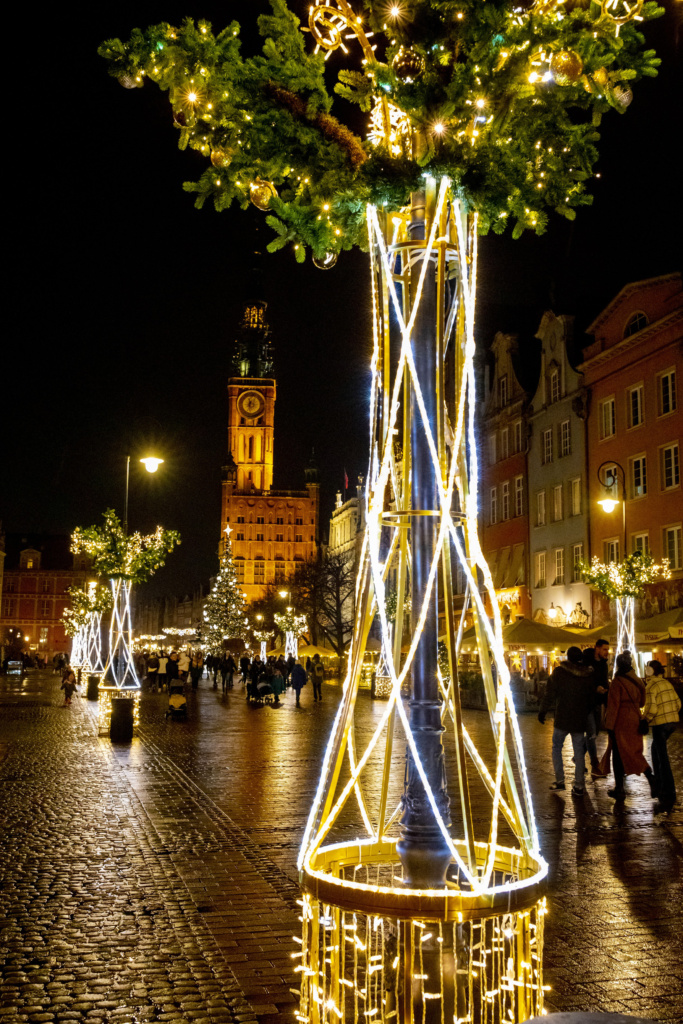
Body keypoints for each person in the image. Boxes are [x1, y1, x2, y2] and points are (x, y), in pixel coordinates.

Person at [538, 646, 596, 797]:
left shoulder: (559, 673)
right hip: (579, 718)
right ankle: (579, 785)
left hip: (562, 717)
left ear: (568, 657)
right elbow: (591, 698)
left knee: (557, 747)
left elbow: (549, 694)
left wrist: (543, 711)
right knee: (579, 753)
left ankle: (560, 781)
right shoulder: (587, 674)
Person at [604, 651, 656, 801]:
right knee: (634, 751)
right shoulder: (638, 680)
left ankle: (620, 788)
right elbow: (642, 703)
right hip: (634, 718)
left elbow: (613, 706)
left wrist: (609, 726)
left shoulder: (617, 681)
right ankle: (649, 775)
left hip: (621, 720)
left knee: (618, 754)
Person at [643, 659, 681, 812]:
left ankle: (668, 790)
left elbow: (651, 708)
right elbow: (678, 703)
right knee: (656, 751)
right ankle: (659, 784)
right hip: (672, 723)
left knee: (662, 757)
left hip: (660, 724)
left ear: (649, 671)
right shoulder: (667, 683)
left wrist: (645, 719)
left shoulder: (651, 686)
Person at [582, 639, 610, 777]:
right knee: (592, 734)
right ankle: (595, 765)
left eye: (607, 649)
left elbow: (604, 681)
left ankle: (578, 757)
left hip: (598, 702)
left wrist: (605, 698)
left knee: (595, 733)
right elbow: (582, 681)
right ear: (597, 649)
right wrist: (595, 689)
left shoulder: (604, 665)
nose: (607, 652)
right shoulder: (586, 662)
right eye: (604, 649)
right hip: (586, 703)